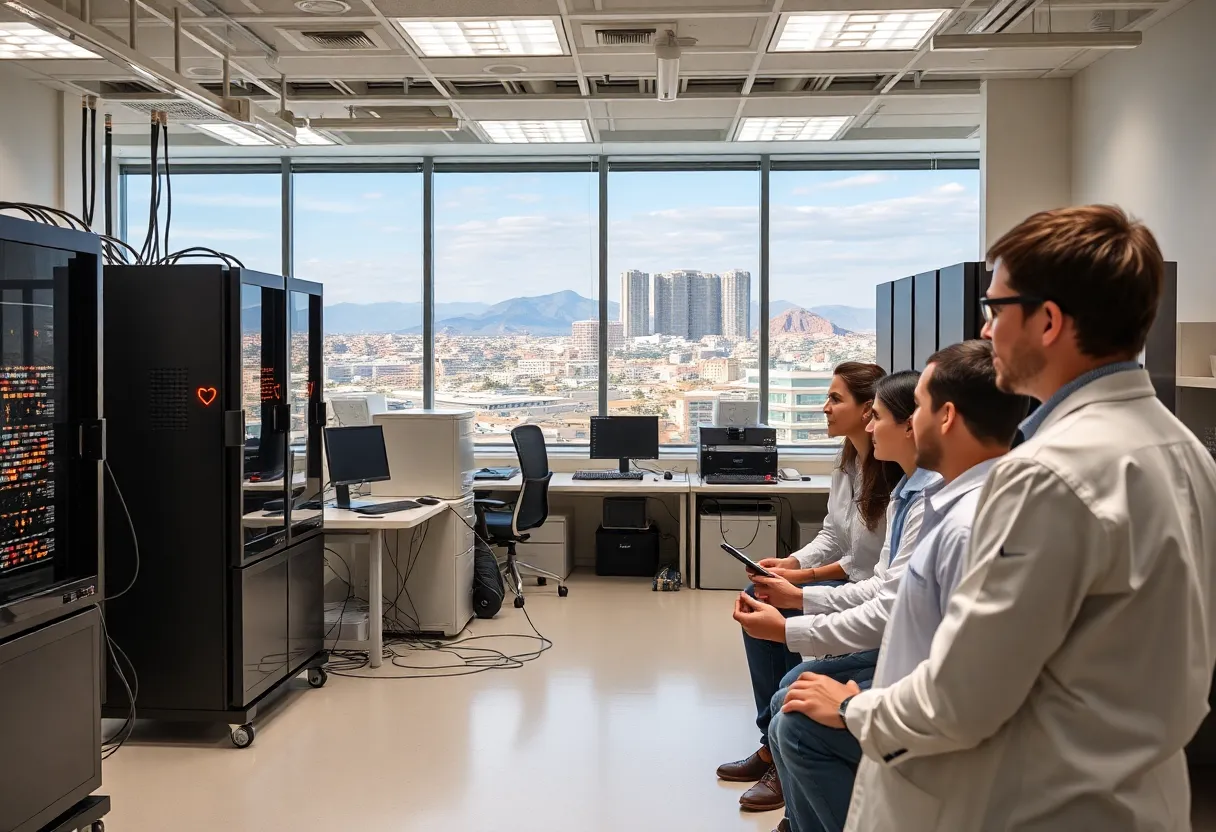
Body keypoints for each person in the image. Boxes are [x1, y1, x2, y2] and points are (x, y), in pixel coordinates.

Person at [780, 206, 1216, 832]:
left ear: (1046, 320)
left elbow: (963, 697)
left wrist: (853, 710)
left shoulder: (1046, 475)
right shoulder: (1183, 451)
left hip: (1040, 802)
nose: (984, 330)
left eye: (995, 307)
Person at [766, 340, 1025, 832]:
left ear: (942, 417)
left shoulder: (965, 520)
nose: (872, 425)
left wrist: (852, 707)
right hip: (920, 698)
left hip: (941, 727)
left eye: (916, 408)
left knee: (797, 724)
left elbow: (954, 682)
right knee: (792, 701)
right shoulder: (940, 498)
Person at [716, 363, 897, 813]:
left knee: (778, 611)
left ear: (867, 407)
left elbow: (871, 573)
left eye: (836, 399)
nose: (825, 407)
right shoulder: (848, 461)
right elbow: (836, 538)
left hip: (866, 594)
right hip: (851, 581)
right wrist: (793, 565)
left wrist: (801, 587)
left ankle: (783, 754)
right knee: (759, 595)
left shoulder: (896, 478)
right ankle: (768, 742)